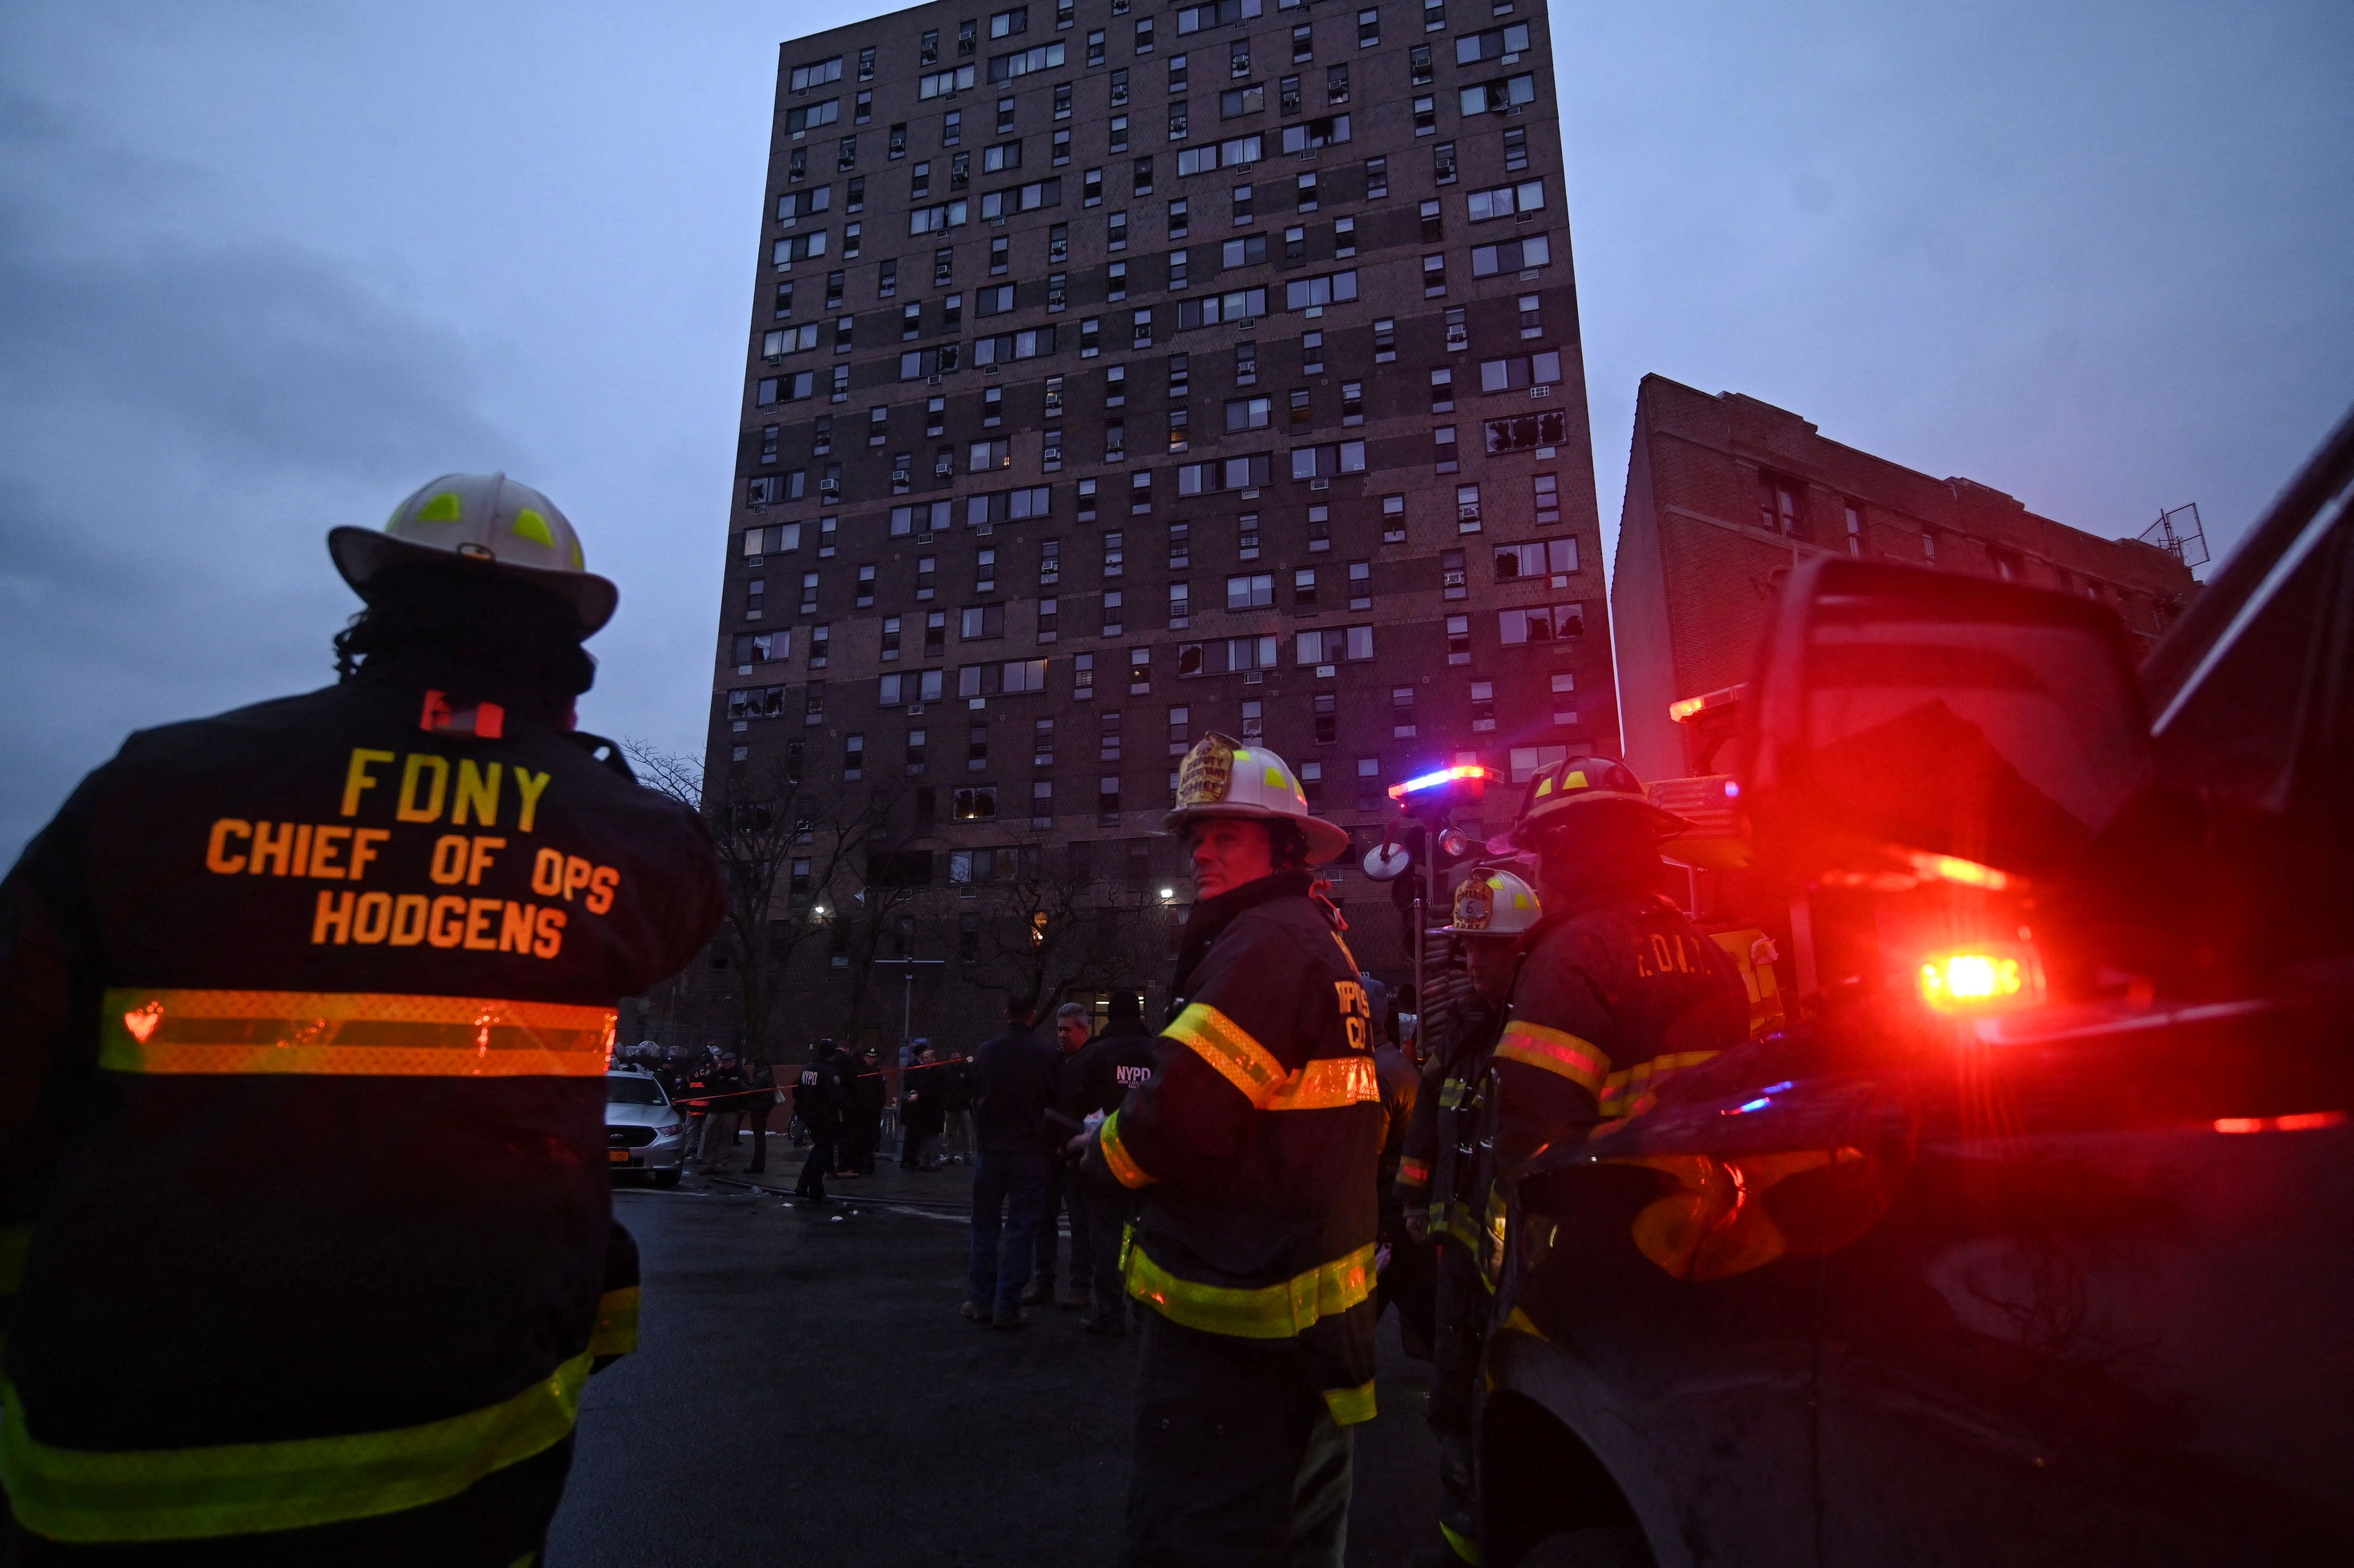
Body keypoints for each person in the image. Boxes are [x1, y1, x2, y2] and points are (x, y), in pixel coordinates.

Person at [0, 472, 724, 1562]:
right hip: (470, 1435)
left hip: (124, 1443)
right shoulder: (632, 837)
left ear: (372, 615)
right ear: (564, 646)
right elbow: (671, 929)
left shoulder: (157, 786)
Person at [1081, 732, 1383, 1568]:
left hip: (1238, 1328)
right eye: (1198, 836)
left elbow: (1179, 1117)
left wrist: (1099, 1157)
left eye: (1227, 836)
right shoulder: (1312, 940)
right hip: (1299, 1318)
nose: (1204, 853)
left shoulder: (1267, 945)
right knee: (1290, 1532)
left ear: (1282, 846)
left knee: (1203, 1534)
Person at [1394, 866, 1542, 1567]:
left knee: (1509, 1417)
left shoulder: (1538, 1034)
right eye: (1469, 948)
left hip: (1519, 1278)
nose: (1474, 961)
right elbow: (1428, 1123)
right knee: (1451, 1406)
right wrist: (1415, 1200)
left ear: (1527, 950)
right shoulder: (1460, 1033)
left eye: (1491, 948)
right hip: (1457, 1267)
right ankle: (1466, 1543)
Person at [1059, 988, 1159, 1334]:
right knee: (1144, 1239)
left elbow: (1070, 1104)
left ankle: (1111, 1313)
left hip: (1103, 1161)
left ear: (1111, 1017)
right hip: (1149, 1162)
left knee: (1106, 1239)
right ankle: (1145, 1311)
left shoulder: (1094, 1056)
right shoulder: (1159, 1055)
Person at [962, 999, 1061, 1329]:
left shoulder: (987, 1051)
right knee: (1022, 1227)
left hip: (991, 1148)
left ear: (1006, 1014)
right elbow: (1056, 1098)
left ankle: (980, 1300)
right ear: (1032, 1015)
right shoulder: (1046, 1054)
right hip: (1031, 1149)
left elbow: (973, 1092)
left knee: (985, 1226)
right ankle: (1008, 1304)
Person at [1024, 1001, 1095, 1309]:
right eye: (1060, 1030)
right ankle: (1048, 1283)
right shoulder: (1058, 1061)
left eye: (1067, 1030)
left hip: (1073, 1152)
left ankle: (1076, 1286)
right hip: (1056, 1151)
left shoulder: (1089, 1062)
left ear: (1083, 1030)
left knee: (1079, 1222)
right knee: (1048, 1219)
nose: (1062, 1036)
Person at [793, 1041, 844, 1205]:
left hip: (810, 1115)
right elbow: (836, 1097)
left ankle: (810, 1187)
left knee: (819, 1150)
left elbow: (797, 1089)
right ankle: (809, 1187)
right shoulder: (829, 1072)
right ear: (832, 1054)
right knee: (822, 1152)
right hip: (825, 1117)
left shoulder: (808, 1068)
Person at [687, 1050, 747, 1170]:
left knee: (726, 1137)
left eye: (729, 1062)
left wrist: (742, 1107)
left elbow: (745, 1091)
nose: (727, 1064)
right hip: (715, 1109)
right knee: (710, 1134)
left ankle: (722, 1162)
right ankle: (710, 1161)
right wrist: (717, 1072)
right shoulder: (717, 1073)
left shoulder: (740, 1073)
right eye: (724, 1062)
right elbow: (706, 1083)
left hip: (731, 1110)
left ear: (734, 1062)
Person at [899, 1043, 945, 1170]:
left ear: (933, 1058)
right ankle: (924, 1161)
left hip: (933, 1109)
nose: (925, 1060)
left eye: (927, 1058)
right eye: (924, 1058)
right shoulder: (922, 1070)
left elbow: (935, 1091)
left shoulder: (938, 1072)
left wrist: (919, 1096)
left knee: (932, 1137)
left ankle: (934, 1162)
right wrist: (916, 1092)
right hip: (923, 1110)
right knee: (924, 1137)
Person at [937, 1047, 975, 1164]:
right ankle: (951, 1155)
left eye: (957, 1058)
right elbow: (943, 1088)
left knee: (966, 1132)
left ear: (960, 1059)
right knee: (951, 1133)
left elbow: (972, 1082)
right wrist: (945, 1102)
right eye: (953, 1059)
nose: (955, 1060)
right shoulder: (947, 1072)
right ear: (950, 1059)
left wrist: (970, 1099)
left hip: (964, 1106)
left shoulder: (966, 1070)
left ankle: (968, 1155)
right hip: (950, 1107)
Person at [743, 1054, 779, 1174]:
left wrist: (743, 1086)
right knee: (760, 1136)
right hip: (764, 1108)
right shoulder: (768, 1074)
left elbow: (754, 1092)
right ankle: (758, 1163)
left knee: (759, 1137)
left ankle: (757, 1164)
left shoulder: (761, 1076)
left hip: (758, 1108)